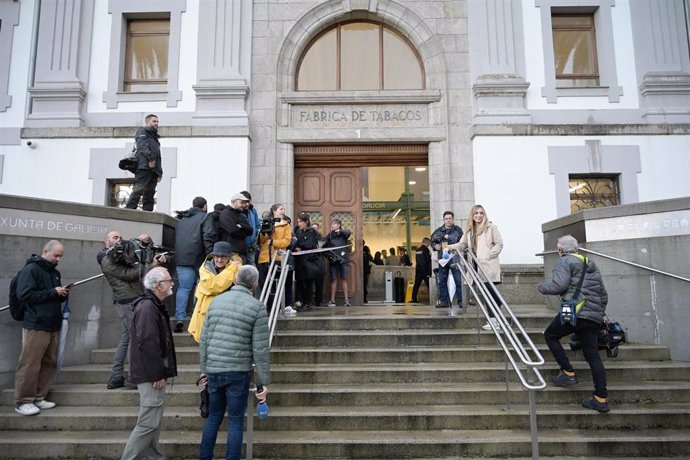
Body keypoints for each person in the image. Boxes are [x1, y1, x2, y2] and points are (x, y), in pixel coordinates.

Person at [198, 265, 270, 460]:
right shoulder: (257, 307)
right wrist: (264, 382)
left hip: (214, 369)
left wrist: (203, 369)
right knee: (236, 421)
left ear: (235, 280)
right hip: (238, 371)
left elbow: (204, 339)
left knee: (214, 417)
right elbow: (260, 349)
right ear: (255, 284)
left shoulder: (216, 302)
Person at [538, 235, 610, 413]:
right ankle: (601, 398)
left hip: (573, 309)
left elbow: (558, 286)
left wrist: (541, 287)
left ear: (560, 249)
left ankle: (568, 373)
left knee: (550, 335)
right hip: (593, 315)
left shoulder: (564, 261)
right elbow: (603, 295)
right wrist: (598, 315)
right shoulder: (589, 263)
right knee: (593, 357)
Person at [121, 267, 178, 459]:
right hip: (149, 374)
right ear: (159, 285)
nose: (172, 283)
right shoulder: (147, 307)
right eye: (169, 280)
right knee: (148, 423)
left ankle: (153, 457)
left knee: (153, 421)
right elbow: (147, 343)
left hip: (149, 372)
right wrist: (157, 374)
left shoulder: (152, 305)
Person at [98, 231, 164, 390]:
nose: (119, 240)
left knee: (127, 337)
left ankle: (117, 376)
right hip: (126, 301)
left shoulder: (120, 254)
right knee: (133, 338)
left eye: (120, 237)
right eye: (115, 237)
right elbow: (131, 274)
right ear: (105, 242)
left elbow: (139, 253)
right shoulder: (106, 259)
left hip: (132, 299)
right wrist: (152, 266)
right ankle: (131, 376)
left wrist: (146, 241)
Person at [13, 240, 69, 416]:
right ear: (46, 251)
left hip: (53, 323)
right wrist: (53, 292)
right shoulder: (31, 270)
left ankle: (39, 396)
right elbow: (24, 294)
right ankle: (23, 401)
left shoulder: (55, 272)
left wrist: (61, 294)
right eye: (56, 255)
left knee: (49, 363)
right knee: (30, 364)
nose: (58, 259)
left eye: (61, 256)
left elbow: (50, 296)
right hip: (36, 324)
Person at [449, 205, 504, 330]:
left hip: (488, 265)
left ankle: (493, 320)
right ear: (472, 216)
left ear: (484, 215)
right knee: (489, 293)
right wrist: (451, 247)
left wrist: (490, 254)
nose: (478, 215)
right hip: (476, 266)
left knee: (488, 293)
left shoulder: (491, 227)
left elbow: (499, 243)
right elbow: (462, 244)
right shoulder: (469, 231)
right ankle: (499, 317)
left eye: (481, 213)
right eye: (476, 213)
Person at [174, 196, 216, 332]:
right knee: (204, 287)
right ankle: (198, 317)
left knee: (184, 288)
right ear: (204, 206)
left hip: (182, 258)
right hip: (200, 259)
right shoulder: (205, 217)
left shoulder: (182, 219)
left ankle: (179, 318)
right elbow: (208, 236)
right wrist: (211, 256)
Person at [187, 241, 243, 343]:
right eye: (216, 256)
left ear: (229, 257)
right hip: (209, 314)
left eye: (223, 257)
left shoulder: (236, 267)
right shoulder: (205, 268)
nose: (219, 260)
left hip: (229, 314)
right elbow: (213, 286)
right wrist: (231, 270)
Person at [257, 203, 292, 308]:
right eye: (281, 209)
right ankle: (267, 307)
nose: (283, 211)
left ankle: (278, 306)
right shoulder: (267, 222)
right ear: (274, 211)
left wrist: (273, 242)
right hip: (264, 258)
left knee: (277, 284)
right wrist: (263, 232)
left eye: (284, 209)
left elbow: (287, 241)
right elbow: (260, 242)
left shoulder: (286, 225)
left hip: (278, 258)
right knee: (264, 284)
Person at [125, 114, 162, 211]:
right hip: (144, 167)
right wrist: (150, 159)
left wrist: (159, 172)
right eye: (154, 121)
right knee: (139, 189)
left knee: (150, 194)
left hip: (153, 170)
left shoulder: (154, 137)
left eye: (157, 122)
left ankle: (148, 213)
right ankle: (129, 210)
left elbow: (158, 156)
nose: (157, 123)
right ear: (147, 121)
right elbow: (142, 147)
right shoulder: (142, 131)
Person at [431, 211, 464, 308]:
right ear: (444, 220)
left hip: (454, 258)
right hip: (443, 259)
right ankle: (444, 301)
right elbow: (432, 240)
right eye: (446, 218)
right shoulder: (439, 230)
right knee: (442, 280)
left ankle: (461, 301)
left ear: (453, 219)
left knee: (458, 280)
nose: (448, 220)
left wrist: (447, 237)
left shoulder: (458, 230)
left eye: (450, 218)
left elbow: (461, 241)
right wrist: (435, 245)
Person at [292, 213, 321, 311]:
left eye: (301, 222)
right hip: (299, 260)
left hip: (309, 261)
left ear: (306, 222)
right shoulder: (298, 231)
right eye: (298, 221)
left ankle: (308, 302)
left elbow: (309, 244)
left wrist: (300, 245)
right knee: (300, 282)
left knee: (308, 283)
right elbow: (295, 242)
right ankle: (300, 301)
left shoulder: (311, 231)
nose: (299, 224)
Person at [324, 219, 351, 307]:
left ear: (339, 225)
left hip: (343, 260)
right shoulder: (330, 235)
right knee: (334, 279)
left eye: (334, 224)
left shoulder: (343, 234)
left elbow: (348, 233)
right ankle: (332, 300)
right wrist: (330, 257)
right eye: (331, 224)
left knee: (344, 279)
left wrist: (340, 231)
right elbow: (324, 247)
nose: (332, 225)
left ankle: (346, 300)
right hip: (334, 260)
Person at [218, 193, 254, 258]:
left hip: (241, 252)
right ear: (234, 202)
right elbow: (234, 231)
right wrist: (244, 231)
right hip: (232, 252)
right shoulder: (225, 214)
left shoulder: (240, 214)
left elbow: (250, 230)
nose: (243, 205)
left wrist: (241, 226)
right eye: (241, 202)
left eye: (244, 202)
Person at [240, 190, 261, 266]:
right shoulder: (237, 212)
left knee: (252, 267)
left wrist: (256, 239)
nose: (247, 204)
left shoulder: (252, 210)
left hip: (252, 246)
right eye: (245, 202)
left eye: (248, 201)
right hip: (241, 247)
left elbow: (257, 225)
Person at [411, 238, 432, 304]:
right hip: (425, 270)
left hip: (418, 270)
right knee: (429, 285)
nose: (429, 245)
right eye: (429, 243)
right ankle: (433, 299)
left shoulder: (418, 250)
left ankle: (414, 299)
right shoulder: (426, 250)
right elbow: (428, 261)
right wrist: (428, 272)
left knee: (416, 285)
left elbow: (418, 261)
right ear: (426, 242)